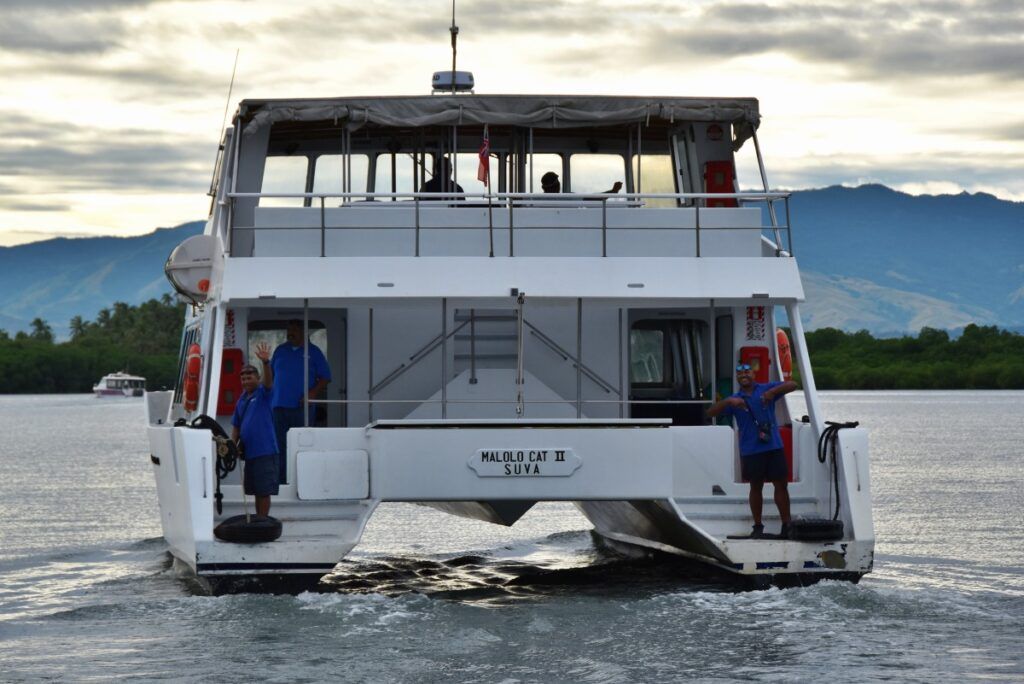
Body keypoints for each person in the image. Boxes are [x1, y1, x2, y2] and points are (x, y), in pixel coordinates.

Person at [707, 363, 798, 539]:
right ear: (737, 378)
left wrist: (772, 393)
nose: (744, 375)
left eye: (747, 372)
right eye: (740, 373)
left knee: (781, 485)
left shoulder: (766, 388)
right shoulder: (735, 399)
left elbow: (793, 384)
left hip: (773, 446)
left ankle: (786, 525)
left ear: (753, 374)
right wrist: (727, 401)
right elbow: (710, 413)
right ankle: (757, 526)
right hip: (751, 450)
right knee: (756, 487)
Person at [270, 320, 331, 484]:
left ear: (304, 332)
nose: (290, 333)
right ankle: (281, 482)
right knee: (279, 445)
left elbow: (326, 377)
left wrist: (313, 392)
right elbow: (271, 376)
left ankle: (303, 481)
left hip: (301, 407)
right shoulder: (280, 350)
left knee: (302, 445)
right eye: (288, 330)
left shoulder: (314, 351)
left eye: (294, 330)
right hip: (278, 407)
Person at [231, 343, 278, 517]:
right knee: (256, 490)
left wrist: (265, 362)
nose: (246, 381)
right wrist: (232, 446)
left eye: (249, 377)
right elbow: (236, 426)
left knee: (263, 491)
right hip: (250, 454)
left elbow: (268, 381)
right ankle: (259, 520)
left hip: (265, 451)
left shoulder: (264, 394)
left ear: (257, 378)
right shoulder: (241, 400)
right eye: (243, 379)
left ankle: (263, 521)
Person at [539, 171, 622, 195]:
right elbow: (591, 199)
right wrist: (613, 191)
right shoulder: (567, 198)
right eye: (557, 183)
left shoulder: (536, 200)